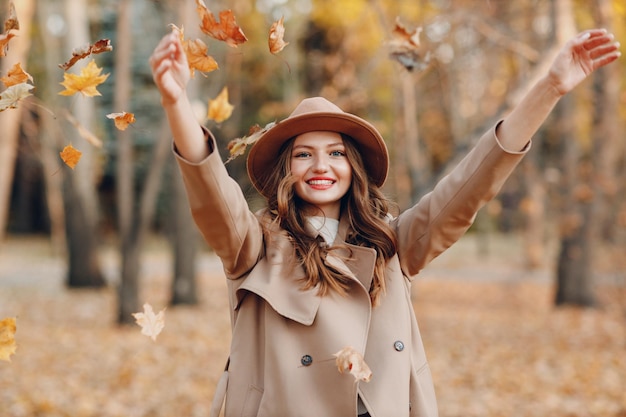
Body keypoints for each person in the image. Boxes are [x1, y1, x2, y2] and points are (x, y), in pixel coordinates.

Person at [149, 27, 620, 417]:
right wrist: (176, 104)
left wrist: (550, 88)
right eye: (304, 154)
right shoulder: (253, 246)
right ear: (284, 170)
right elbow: (214, 197)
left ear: (354, 167)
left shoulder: (393, 241)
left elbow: (468, 189)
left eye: (336, 153)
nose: (321, 165)